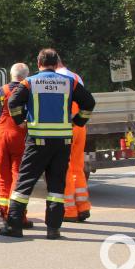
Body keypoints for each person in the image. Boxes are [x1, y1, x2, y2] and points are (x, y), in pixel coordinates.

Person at [0, 49, 95, 240]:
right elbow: (89, 103)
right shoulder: (70, 82)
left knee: (24, 184)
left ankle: (15, 226)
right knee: (56, 187)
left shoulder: (30, 82)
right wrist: (78, 121)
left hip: (37, 141)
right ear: (56, 62)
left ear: (38, 62)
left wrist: (20, 121)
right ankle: (53, 229)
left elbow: (13, 102)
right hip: (62, 142)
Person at [0, 63, 32, 227]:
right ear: (26, 76)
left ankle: (5, 212)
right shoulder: (27, 91)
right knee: (18, 176)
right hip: (19, 135)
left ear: (11, 75)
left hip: (1, 136)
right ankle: (18, 215)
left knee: (3, 177)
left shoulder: (0, 91)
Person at [56, 58, 91, 223]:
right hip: (79, 127)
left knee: (65, 168)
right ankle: (83, 206)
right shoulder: (76, 77)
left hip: (66, 126)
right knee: (77, 166)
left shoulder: (54, 78)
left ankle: (69, 210)